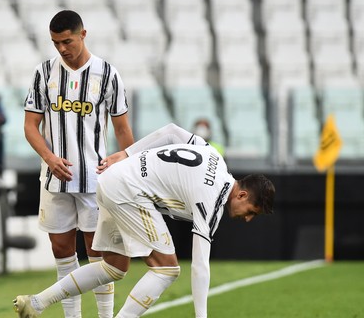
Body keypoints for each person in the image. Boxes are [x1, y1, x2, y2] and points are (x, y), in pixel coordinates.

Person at [14, 123, 275, 318]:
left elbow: (172, 131)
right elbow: (200, 267)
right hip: (128, 190)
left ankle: (36, 303)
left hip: (112, 180)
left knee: (114, 267)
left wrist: (126, 153)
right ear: (241, 194)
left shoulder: (216, 160)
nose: (248, 219)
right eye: (251, 210)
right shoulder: (213, 199)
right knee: (167, 269)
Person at [23, 9, 135, 318]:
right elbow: (30, 125)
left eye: (67, 41)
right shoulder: (43, 72)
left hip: (95, 179)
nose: (61, 48)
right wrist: (48, 157)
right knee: (62, 252)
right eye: (55, 42)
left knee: (98, 255)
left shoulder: (107, 74)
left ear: (82, 35)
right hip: (54, 179)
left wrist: (129, 171)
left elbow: (122, 128)